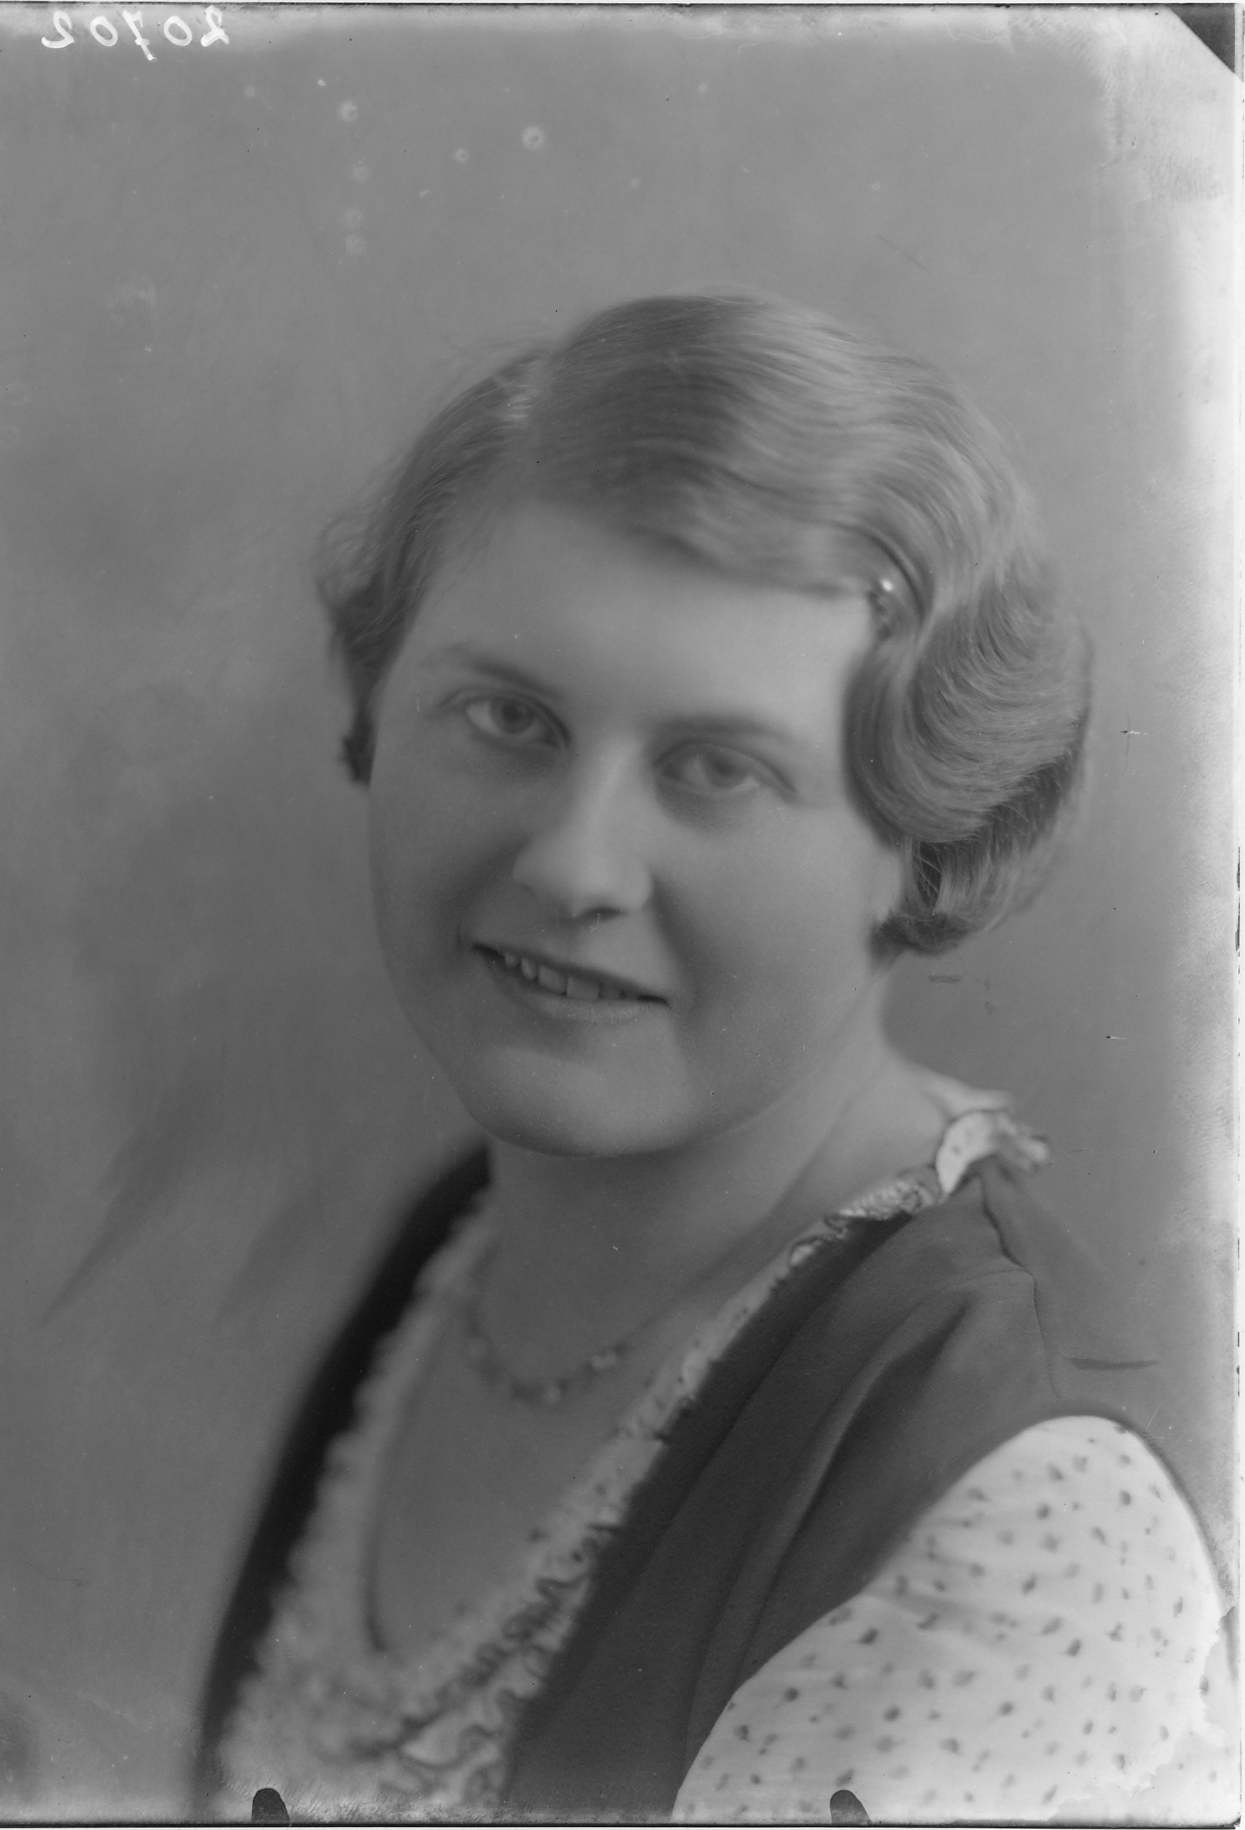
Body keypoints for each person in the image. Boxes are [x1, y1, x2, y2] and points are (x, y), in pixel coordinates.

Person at [195, 294, 1232, 1823]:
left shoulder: (1003, 1528)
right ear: (375, 700)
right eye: (508, 716)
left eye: (718, 769)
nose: (575, 863)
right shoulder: (464, 1238)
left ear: (923, 843)